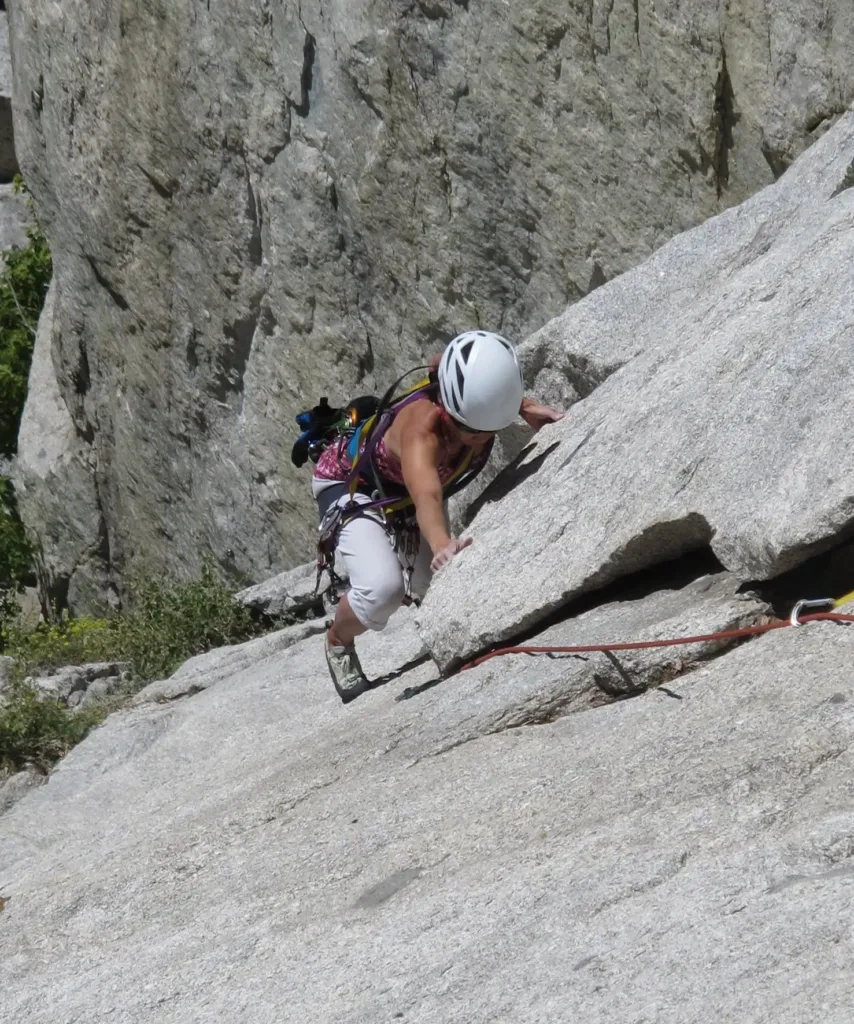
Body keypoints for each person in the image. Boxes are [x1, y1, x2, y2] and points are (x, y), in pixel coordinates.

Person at [312, 330, 564, 701]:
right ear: (451, 411)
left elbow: (464, 377)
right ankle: (338, 639)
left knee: (439, 591)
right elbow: (426, 495)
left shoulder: (468, 394)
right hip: (353, 486)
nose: (481, 439)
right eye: (474, 432)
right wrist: (441, 543)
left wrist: (523, 408)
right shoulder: (422, 433)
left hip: (404, 490)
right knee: (383, 591)